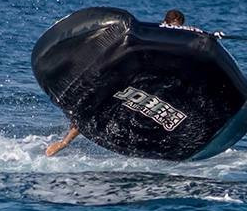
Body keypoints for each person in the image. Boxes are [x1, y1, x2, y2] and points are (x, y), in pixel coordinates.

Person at [45, 9, 222, 157]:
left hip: (151, 79)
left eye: (178, 26)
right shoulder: (159, 29)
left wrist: (213, 35)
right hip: (129, 76)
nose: (176, 29)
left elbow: (197, 33)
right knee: (96, 106)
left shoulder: (181, 32)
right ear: (168, 22)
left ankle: (155, 143)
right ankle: (64, 142)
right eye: (174, 25)